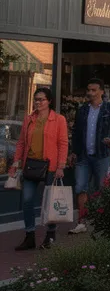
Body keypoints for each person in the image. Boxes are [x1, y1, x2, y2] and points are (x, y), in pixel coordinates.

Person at [9, 88, 68, 250]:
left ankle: (50, 235)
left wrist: (61, 166)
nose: (38, 102)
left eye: (41, 99)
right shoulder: (29, 119)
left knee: (50, 202)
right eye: (36, 99)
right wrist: (15, 163)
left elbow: (63, 143)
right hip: (31, 164)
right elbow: (21, 142)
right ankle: (29, 236)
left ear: (49, 101)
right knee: (27, 200)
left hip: (50, 166)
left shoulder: (58, 119)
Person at [69, 78, 110, 235]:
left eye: (93, 90)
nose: (90, 93)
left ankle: (103, 221)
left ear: (102, 92)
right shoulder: (82, 110)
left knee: (101, 188)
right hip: (83, 155)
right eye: (88, 90)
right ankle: (81, 222)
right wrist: (73, 152)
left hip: (102, 154)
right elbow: (76, 132)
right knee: (80, 187)